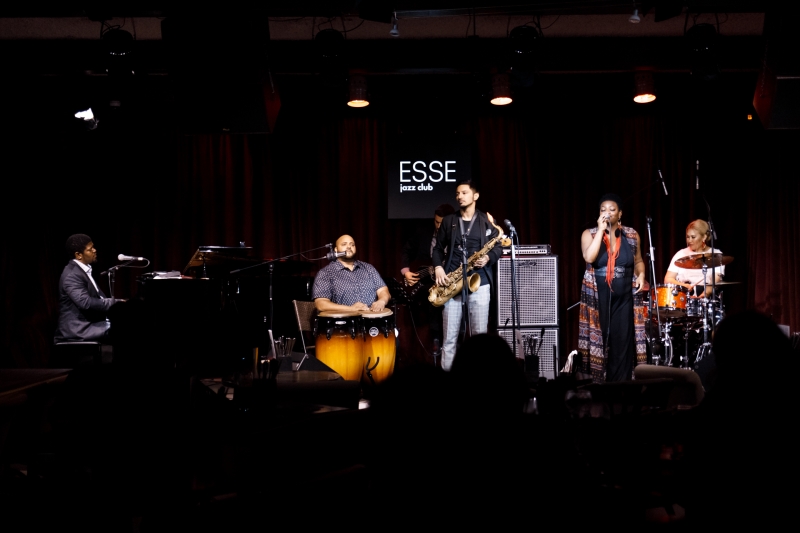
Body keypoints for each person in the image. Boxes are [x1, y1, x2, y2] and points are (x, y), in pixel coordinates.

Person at [432, 180, 503, 371]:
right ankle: (448, 380)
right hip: (452, 283)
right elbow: (437, 249)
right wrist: (438, 268)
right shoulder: (449, 221)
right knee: (449, 339)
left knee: (480, 338)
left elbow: (498, 246)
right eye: (457, 194)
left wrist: (488, 257)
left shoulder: (486, 220)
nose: (459, 197)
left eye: (464, 193)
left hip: (480, 282)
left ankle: (479, 378)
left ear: (475, 196)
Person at [578, 194, 647, 383]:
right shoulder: (589, 234)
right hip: (598, 296)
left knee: (622, 341)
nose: (607, 213)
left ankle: (621, 387)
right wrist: (601, 231)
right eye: (603, 210)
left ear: (620, 213)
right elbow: (589, 257)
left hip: (625, 297)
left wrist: (641, 274)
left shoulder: (631, 235)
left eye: (612, 209)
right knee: (599, 341)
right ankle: (599, 385)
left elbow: (638, 261)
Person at [55, 234, 122, 343]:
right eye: (90, 249)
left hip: (91, 323)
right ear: (78, 255)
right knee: (126, 329)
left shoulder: (82, 271)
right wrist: (115, 303)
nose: (95, 250)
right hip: (79, 328)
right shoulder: (72, 275)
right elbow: (85, 303)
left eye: (93, 247)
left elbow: (98, 299)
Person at [313, 234, 391, 313]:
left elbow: (383, 290)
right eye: (344, 244)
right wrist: (350, 309)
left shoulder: (368, 268)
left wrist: (382, 301)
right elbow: (321, 304)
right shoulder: (325, 273)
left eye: (352, 245)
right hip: (344, 319)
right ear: (335, 249)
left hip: (371, 318)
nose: (349, 247)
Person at [664, 219, 724, 298]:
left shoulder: (716, 254)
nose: (689, 240)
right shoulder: (680, 254)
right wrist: (683, 285)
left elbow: (715, 280)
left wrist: (703, 296)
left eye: (693, 237)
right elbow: (668, 279)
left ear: (704, 237)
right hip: (684, 297)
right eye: (688, 237)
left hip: (706, 298)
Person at [400, 203, 455, 286]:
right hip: (425, 284)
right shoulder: (422, 233)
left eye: (442, 223)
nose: (438, 226)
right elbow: (406, 251)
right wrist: (406, 271)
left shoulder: (458, 237)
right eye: (436, 222)